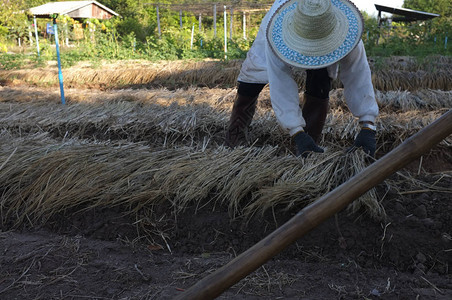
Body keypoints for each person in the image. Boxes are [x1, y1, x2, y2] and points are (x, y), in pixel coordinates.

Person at [225, 0, 378, 157]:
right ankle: (236, 135)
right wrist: (296, 130)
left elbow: (358, 73)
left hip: (326, 26)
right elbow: (280, 84)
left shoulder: (347, 30)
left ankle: (310, 141)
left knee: (321, 79)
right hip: (287, 25)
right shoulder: (276, 32)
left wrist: (368, 125)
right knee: (254, 72)